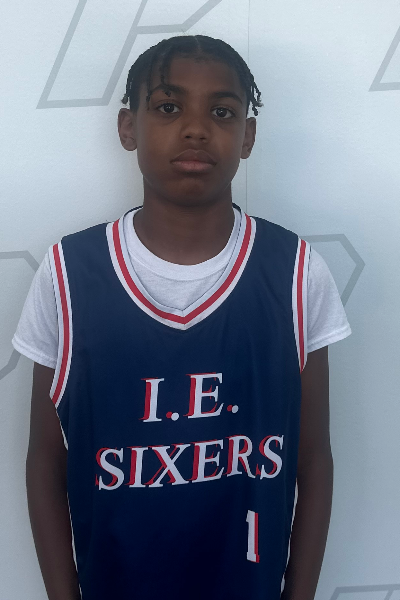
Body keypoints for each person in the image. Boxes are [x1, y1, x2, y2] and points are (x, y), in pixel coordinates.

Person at [13, 34, 352, 600]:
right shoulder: (68, 273)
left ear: (247, 137)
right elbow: (46, 458)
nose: (196, 129)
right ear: (128, 127)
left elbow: (313, 458)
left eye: (222, 112)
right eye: (169, 107)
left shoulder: (295, 272)